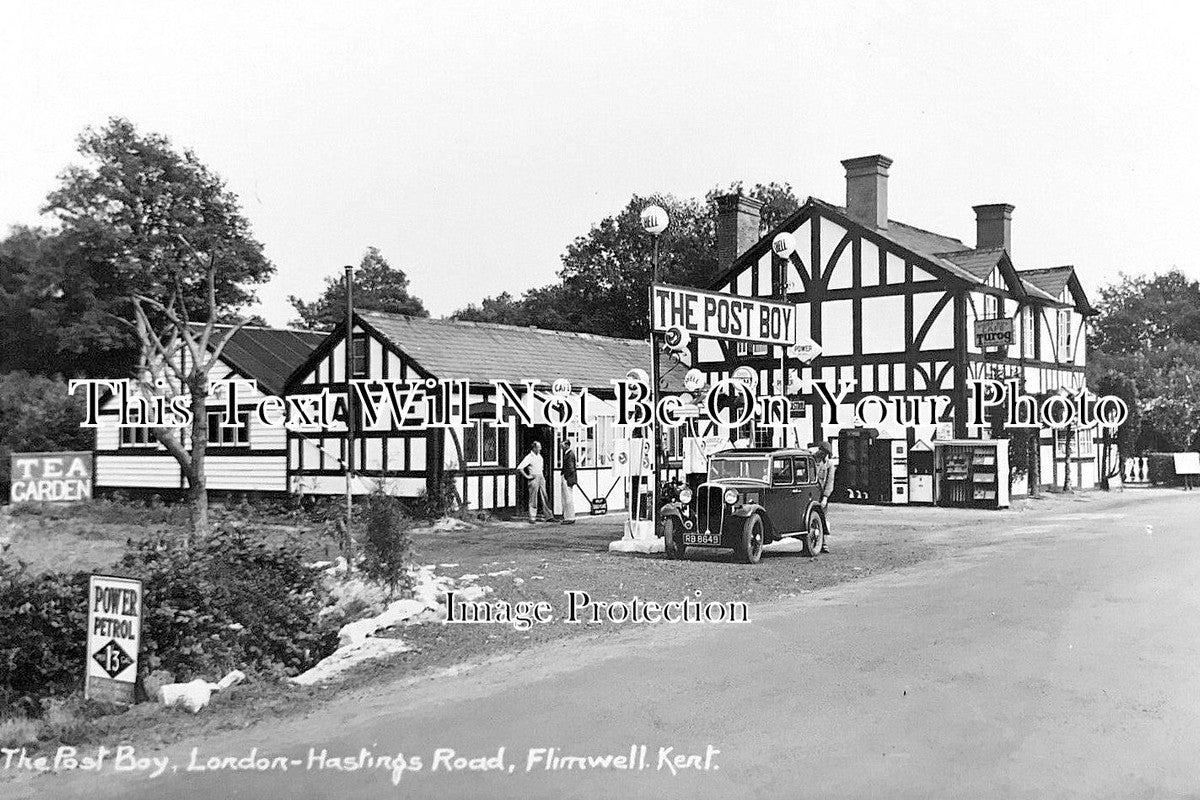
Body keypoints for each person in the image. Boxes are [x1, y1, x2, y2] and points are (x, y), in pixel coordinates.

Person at [517, 441, 552, 523]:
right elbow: (520, 468)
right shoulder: (529, 457)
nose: (540, 448)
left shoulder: (539, 456)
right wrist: (527, 476)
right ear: (534, 448)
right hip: (534, 477)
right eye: (539, 447)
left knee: (545, 496)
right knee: (533, 498)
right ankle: (532, 517)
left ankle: (549, 516)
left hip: (541, 476)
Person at [814, 441, 835, 553]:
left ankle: (823, 542)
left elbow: (829, 482)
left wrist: (826, 497)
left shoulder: (829, 465)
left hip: (821, 496)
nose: (824, 454)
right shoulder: (812, 460)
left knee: (822, 519)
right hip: (811, 493)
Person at [560, 438, 578, 524]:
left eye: (562, 446)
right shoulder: (569, 454)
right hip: (569, 478)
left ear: (567, 445)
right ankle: (569, 517)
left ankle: (569, 517)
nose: (561, 447)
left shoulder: (569, 455)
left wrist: (565, 477)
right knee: (568, 498)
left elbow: (571, 468)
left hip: (568, 479)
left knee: (567, 498)